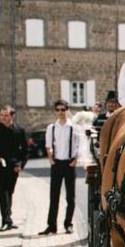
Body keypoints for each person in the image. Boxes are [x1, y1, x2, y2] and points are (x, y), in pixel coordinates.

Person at [40, 99, 83, 235]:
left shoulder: (74, 127)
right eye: (58, 110)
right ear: (55, 111)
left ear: (67, 110)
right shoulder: (51, 128)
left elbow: (80, 145)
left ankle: (68, 224)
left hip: (69, 164)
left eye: (63, 110)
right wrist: (51, 160)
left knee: (70, 197)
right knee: (54, 197)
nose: (60, 112)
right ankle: (51, 225)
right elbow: (48, 145)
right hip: (56, 164)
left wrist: (74, 161)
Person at [0, 105, 28, 232]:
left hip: (13, 167)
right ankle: (6, 220)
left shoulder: (19, 130)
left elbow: (25, 151)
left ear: (12, 116)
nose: (3, 118)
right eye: (1, 115)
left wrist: (21, 165)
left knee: (9, 192)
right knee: (2, 192)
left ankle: (8, 218)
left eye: (6, 115)